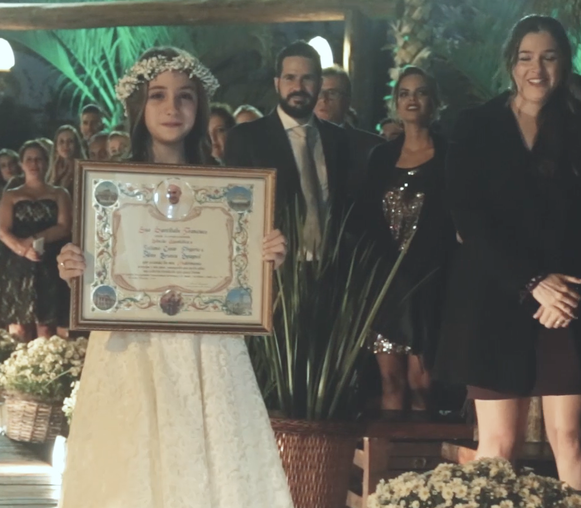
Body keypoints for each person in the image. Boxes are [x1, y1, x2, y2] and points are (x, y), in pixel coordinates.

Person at [55, 47, 293, 508]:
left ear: (199, 108)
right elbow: (102, 272)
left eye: (184, 97)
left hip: (208, 346)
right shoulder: (110, 186)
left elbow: (240, 277)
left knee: (211, 456)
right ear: (138, 107)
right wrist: (75, 268)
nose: (172, 108)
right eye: (158, 96)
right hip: (131, 347)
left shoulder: (229, 187)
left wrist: (266, 258)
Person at [432, 16, 581, 491]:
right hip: (491, 297)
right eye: (527, 57)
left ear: (564, 63)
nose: (537, 68)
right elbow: (468, 219)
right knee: (499, 443)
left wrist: (559, 291)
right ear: (511, 63)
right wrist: (533, 282)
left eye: (549, 57)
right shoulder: (476, 124)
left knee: (570, 438)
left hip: (563, 304)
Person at [360, 66, 455, 412]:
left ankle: (422, 463)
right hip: (386, 286)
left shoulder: (450, 156)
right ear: (395, 104)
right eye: (404, 93)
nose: (412, 100)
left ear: (435, 101)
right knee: (391, 381)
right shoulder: (381, 157)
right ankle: (389, 466)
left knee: (422, 385)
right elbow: (366, 218)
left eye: (420, 92)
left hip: (430, 285)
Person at [224, 41, 363, 258]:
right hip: (277, 272)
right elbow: (234, 211)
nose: (298, 87)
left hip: (334, 271)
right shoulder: (247, 138)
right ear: (277, 83)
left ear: (318, 84)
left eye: (307, 78)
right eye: (290, 78)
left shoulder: (338, 139)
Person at [0, 140, 71, 340]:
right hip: (18, 264)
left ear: (46, 163)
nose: (34, 163)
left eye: (38, 159)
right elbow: (3, 230)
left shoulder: (60, 193)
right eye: (29, 159)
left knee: (46, 327)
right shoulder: (11, 195)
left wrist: (35, 239)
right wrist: (23, 250)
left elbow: (64, 227)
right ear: (21, 164)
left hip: (49, 262)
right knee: (19, 328)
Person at [47, 125, 84, 194]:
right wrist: (54, 178)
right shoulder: (51, 171)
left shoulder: (83, 171)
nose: (66, 145)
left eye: (70, 141)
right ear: (56, 147)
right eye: (61, 142)